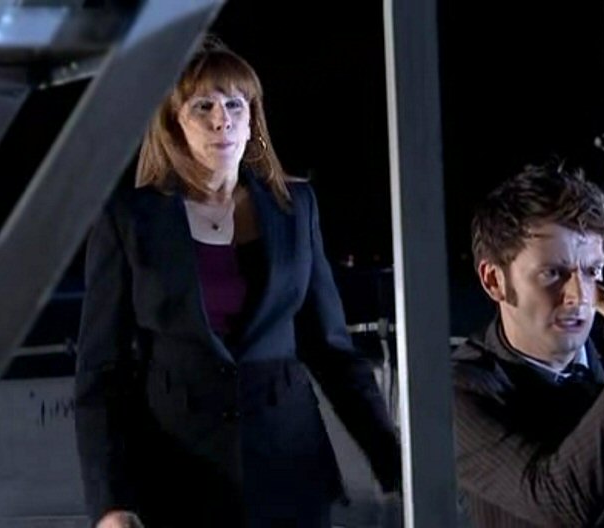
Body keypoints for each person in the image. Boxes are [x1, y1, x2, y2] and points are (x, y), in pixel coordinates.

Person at [74, 37, 400, 528]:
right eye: (202, 106)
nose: (221, 120)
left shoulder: (296, 210)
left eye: (234, 105)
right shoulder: (129, 219)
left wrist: (395, 462)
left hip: (290, 470)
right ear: (173, 123)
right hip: (176, 476)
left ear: (253, 121)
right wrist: (110, 502)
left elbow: (332, 351)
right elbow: (102, 372)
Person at [453, 162, 604, 527]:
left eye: (592, 271)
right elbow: (558, 501)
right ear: (494, 280)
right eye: (552, 273)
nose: (579, 296)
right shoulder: (459, 391)